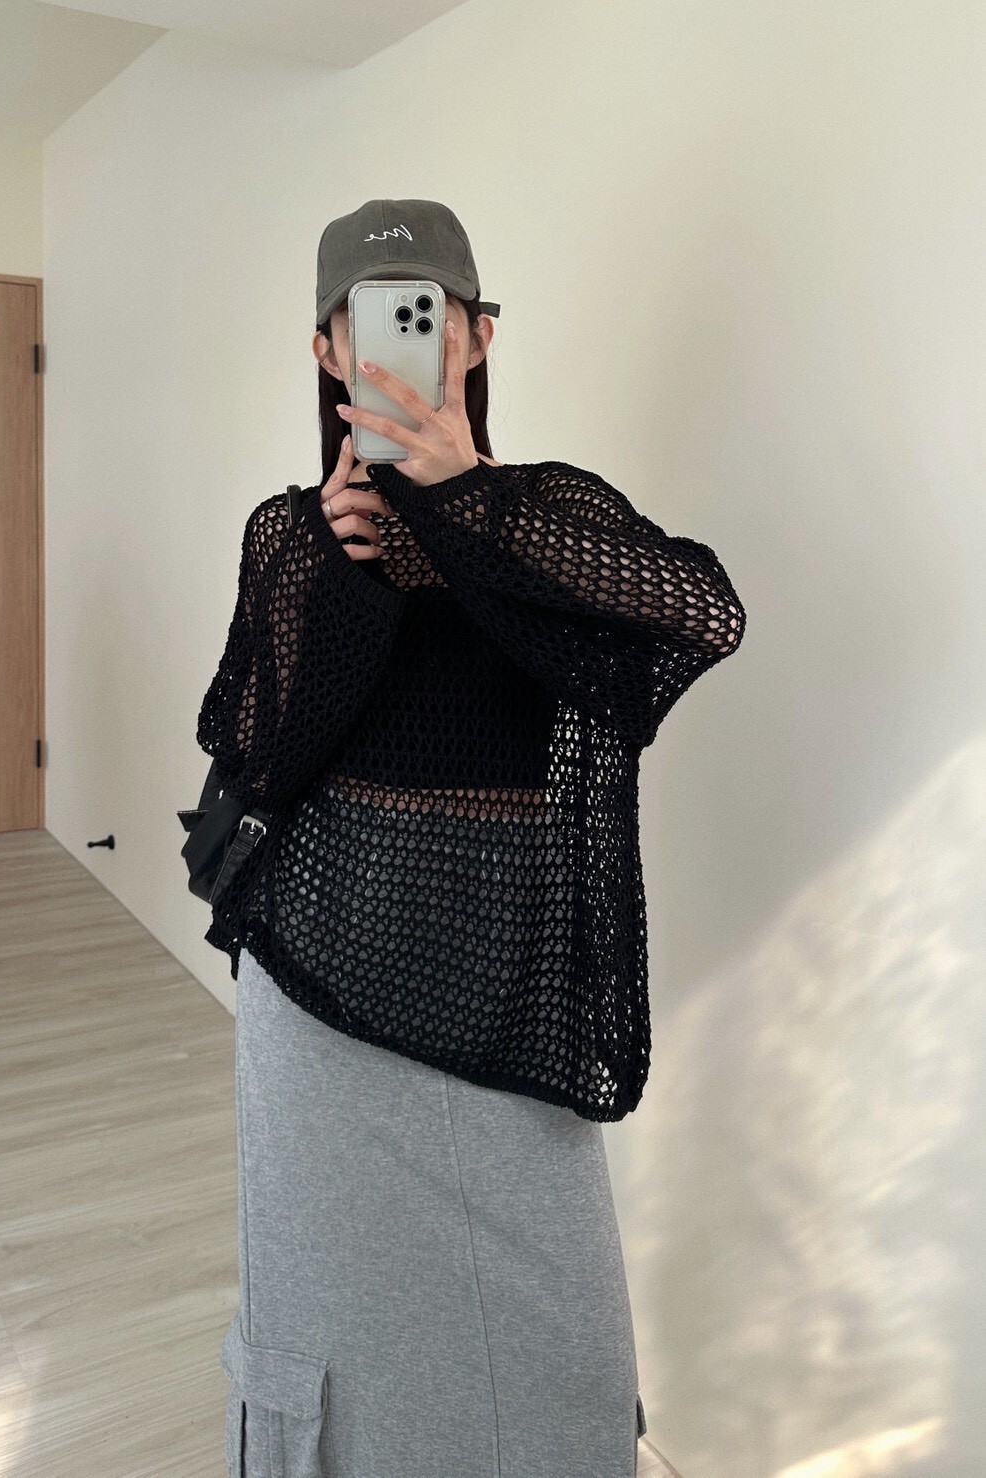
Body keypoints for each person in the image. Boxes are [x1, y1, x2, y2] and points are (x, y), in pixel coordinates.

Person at [200, 198, 746, 1476]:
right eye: (368, 319)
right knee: (330, 1319)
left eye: (426, 314)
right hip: (317, 982)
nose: (400, 339)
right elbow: (252, 748)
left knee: (562, 1337)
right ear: (327, 349)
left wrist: (469, 503)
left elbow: (697, 616)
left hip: (501, 981)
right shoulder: (289, 535)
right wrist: (332, 570)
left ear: (477, 334)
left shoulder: (547, 510)